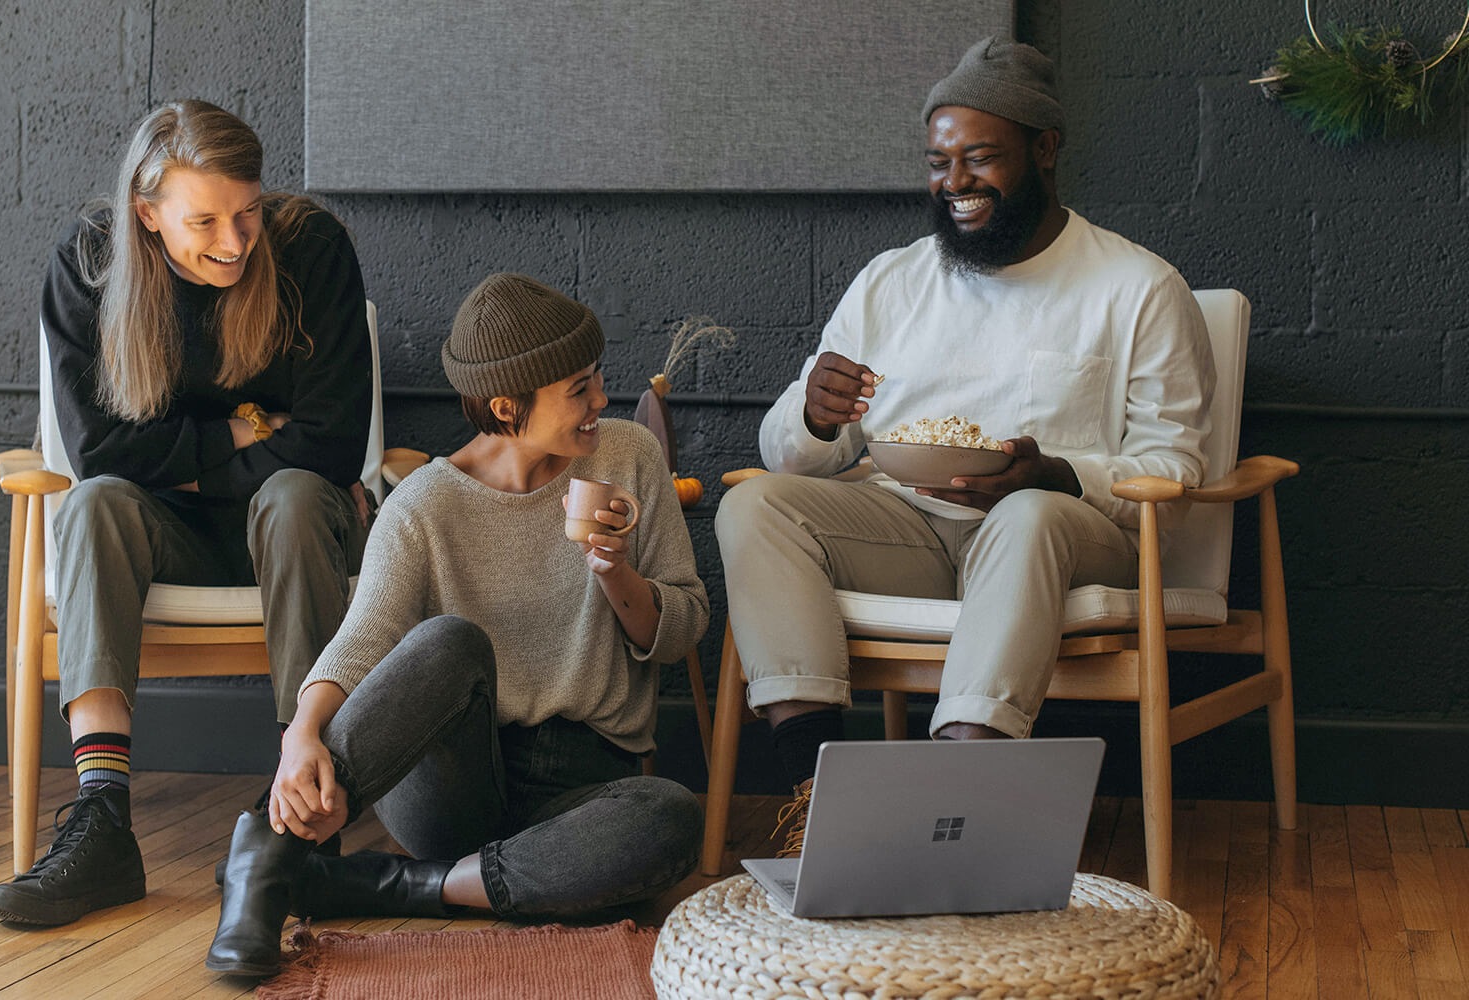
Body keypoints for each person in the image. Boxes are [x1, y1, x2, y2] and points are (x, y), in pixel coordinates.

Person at [714, 36, 1215, 856]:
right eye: (939, 162)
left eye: (981, 158)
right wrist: (815, 413)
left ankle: (956, 803)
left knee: (1027, 514)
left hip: (1068, 538)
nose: (956, 184)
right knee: (755, 504)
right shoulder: (892, 281)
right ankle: (818, 802)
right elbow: (792, 458)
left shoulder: (1137, 288)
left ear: (1046, 150)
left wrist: (1059, 475)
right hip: (906, 527)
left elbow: (1175, 466)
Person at [203, 273, 709, 977]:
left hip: (583, 789)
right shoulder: (423, 506)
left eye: (597, 379)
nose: (599, 401)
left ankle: (397, 886)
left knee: (672, 818)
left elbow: (683, 629)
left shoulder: (628, 456)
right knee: (447, 642)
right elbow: (364, 637)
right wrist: (301, 737)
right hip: (453, 784)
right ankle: (270, 852)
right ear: (508, 406)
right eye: (577, 390)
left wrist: (616, 571)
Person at [0, 100, 375, 926]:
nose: (236, 242)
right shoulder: (90, 263)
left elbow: (333, 448)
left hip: (300, 532)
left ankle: (302, 812)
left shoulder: (311, 249)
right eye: (205, 220)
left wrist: (181, 461)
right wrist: (247, 429)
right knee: (91, 507)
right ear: (146, 212)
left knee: (297, 494)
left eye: (248, 212)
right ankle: (102, 823)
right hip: (166, 539)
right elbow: (95, 454)